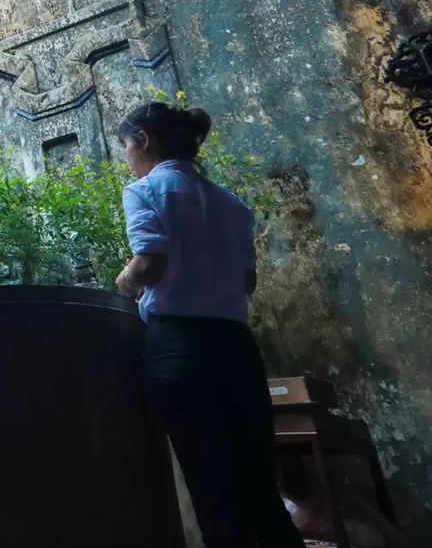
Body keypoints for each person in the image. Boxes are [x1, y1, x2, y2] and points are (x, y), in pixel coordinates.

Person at [114, 101, 303, 548]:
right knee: (259, 486)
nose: (126, 157)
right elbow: (247, 281)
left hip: (180, 350)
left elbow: (150, 264)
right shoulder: (231, 204)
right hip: (236, 349)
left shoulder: (145, 189)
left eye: (125, 146)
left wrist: (124, 281)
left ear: (144, 140)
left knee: (215, 490)